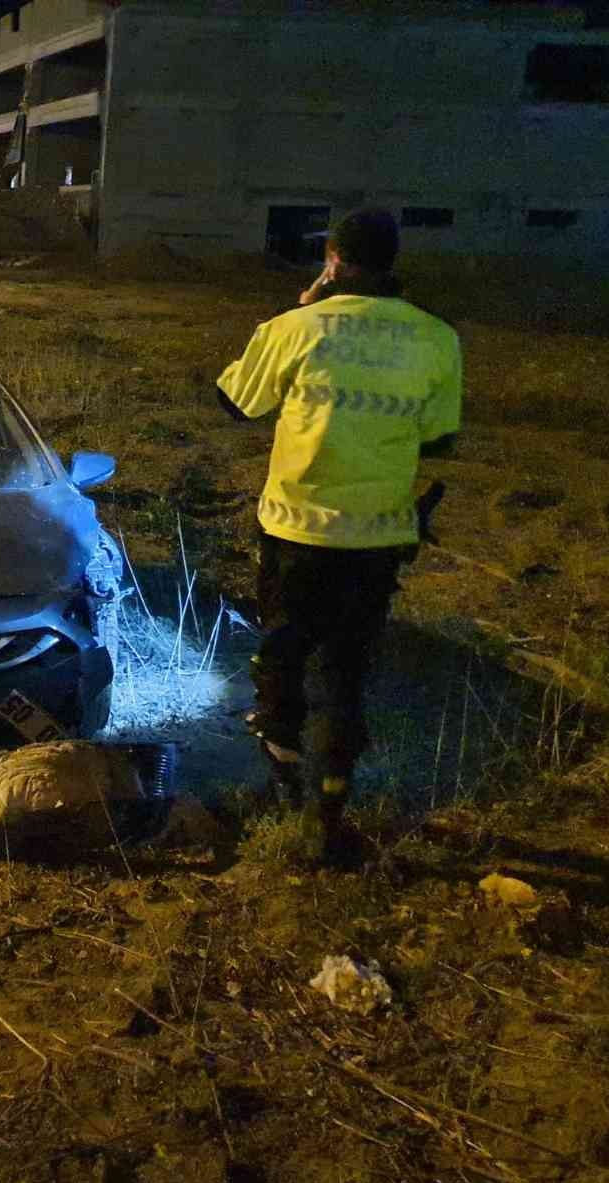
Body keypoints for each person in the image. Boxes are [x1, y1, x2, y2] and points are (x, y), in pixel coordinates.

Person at [216, 208, 462, 864]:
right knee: (346, 670)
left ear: (332, 260)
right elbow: (441, 436)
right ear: (392, 262)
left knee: (285, 656)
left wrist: (300, 314)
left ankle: (281, 786)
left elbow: (236, 402)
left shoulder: (296, 327)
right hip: (378, 538)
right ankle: (329, 806)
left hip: (296, 531)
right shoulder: (437, 337)